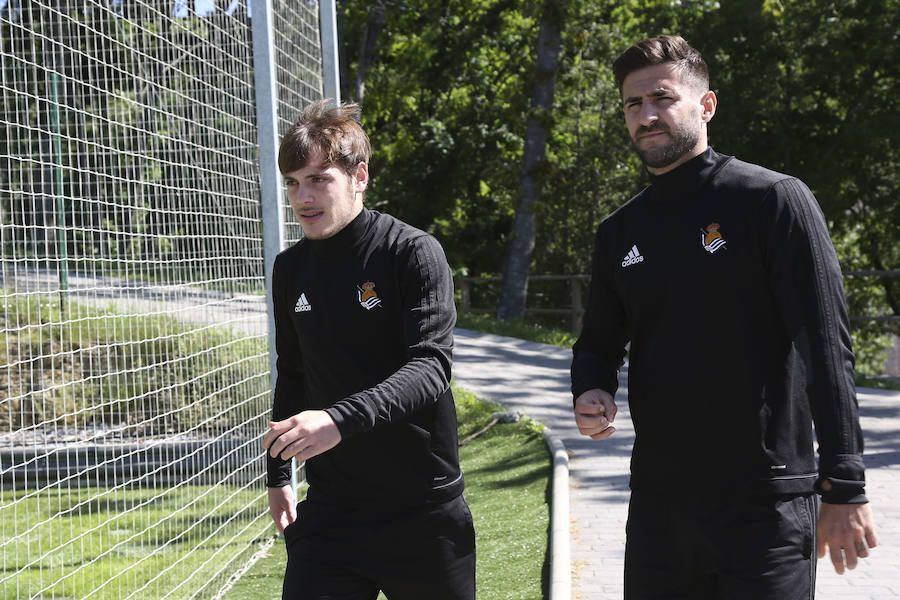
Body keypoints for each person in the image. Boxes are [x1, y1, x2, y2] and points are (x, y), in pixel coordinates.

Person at [570, 35, 878, 599]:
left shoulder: (772, 200)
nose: (646, 116)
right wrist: (590, 387)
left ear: (706, 105)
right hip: (660, 509)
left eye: (663, 98)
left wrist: (845, 485)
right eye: (634, 104)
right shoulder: (620, 231)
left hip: (765, 506)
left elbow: (826, 347)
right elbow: (597, 341)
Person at [262, 99, 475, 600]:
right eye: (292, 182)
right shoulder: (290, 269)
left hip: (422, 511)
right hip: (332, 512)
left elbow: (431, 367)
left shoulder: (412, 252)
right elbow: (293, 372)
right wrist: (278, 473)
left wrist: (338, 420)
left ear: (359, 176)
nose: (302, 197)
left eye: (319, 179)